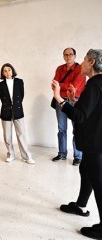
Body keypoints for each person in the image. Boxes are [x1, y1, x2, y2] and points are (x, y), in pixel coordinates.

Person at [52, 49, 102, 239]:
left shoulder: (94, 85)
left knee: (98, 181)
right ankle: (81, 206)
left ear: (91, 62)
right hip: (94, 140)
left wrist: (59, 98)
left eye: (83, 59)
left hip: (95, 143)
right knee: (86, 172)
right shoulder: (96, 84)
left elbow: (79, 117)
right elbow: (90, 110)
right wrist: (74, 100)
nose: (80, 62)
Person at [51, 48, 86, 165]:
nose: (68, 56)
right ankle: (62, 153)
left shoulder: (80, 69)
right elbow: (53, 85)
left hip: (74, 101)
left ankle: (78, 156)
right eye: (66, 54)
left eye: (71, 54)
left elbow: (74, 86)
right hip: (60, 100)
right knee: (61, 129)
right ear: (63, 56)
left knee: (77, 129)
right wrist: (61, 86)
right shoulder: (59, 68)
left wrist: (60, 86)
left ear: (75, 56)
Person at [0, 63, 35, 164]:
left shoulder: (19, 82)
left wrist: (15, 106)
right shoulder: (0, 85)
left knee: (21, 134)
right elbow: (2, 99)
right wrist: (9, 106)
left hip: (18, 110)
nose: (7, 72)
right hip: (6, 111)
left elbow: (21, 96)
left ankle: (26, 156)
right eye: (5, 71)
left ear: (12, 70)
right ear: (3, 73)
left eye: (9, 70)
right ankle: (11, 154)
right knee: (7, 136)